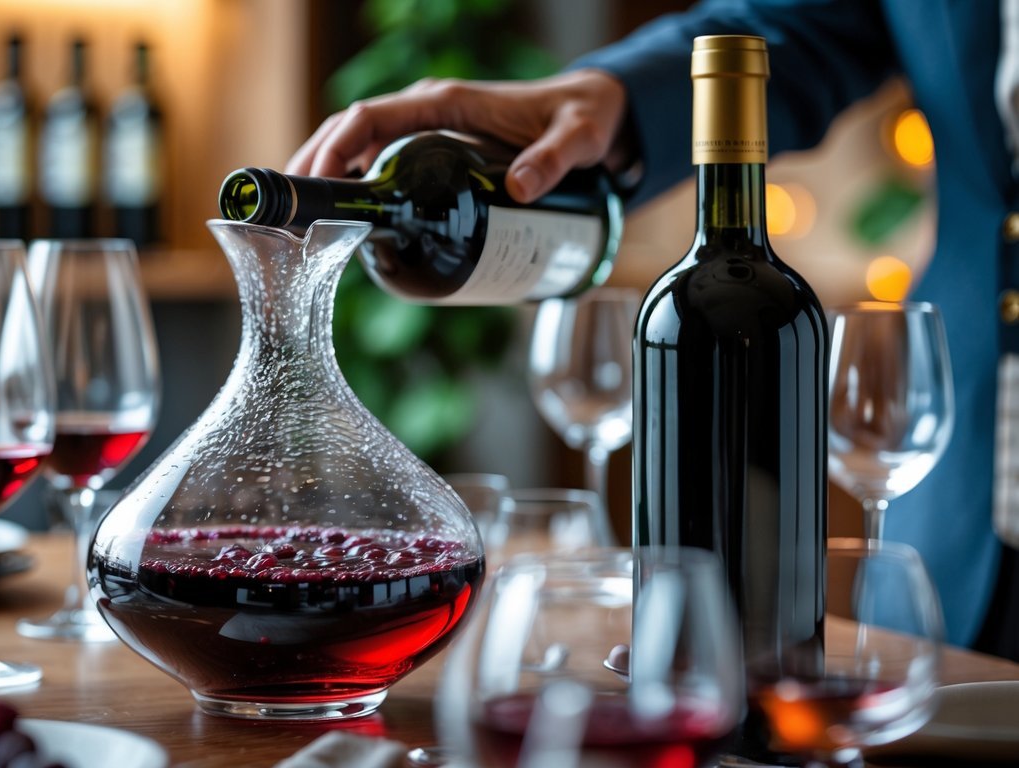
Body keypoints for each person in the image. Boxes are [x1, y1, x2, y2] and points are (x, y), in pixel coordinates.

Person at [288, 0, 1019, 660]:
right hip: (961, 529)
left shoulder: (783, 306)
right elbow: (808, 22)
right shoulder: (676, 304)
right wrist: (609, 96)